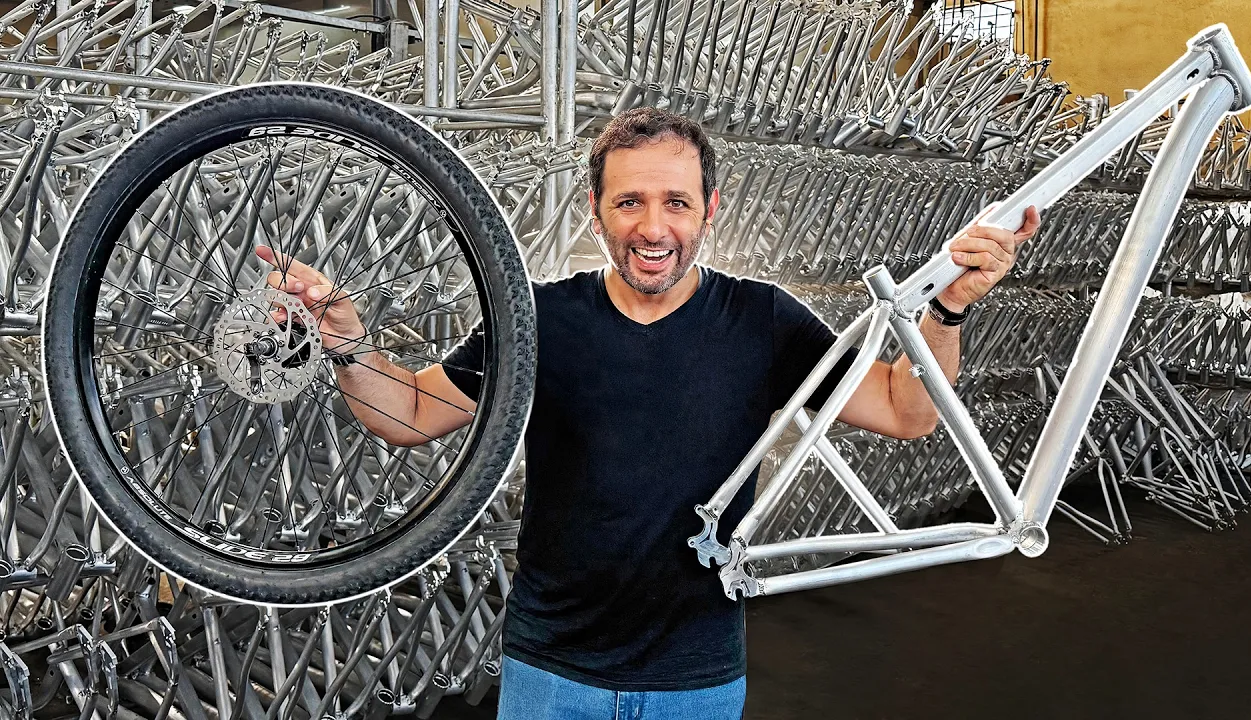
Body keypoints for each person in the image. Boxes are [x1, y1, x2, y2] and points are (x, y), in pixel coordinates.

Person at [255, 107, 1039, 719]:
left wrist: (949, 309)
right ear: (596, 211)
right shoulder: (540, 319)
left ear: (710, 210)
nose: (653, 227)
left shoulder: (762, 321)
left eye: (676, 202)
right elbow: (408, 414)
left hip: (694, 680)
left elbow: (906, 410)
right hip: (551, 674)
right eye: (629, 201)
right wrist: (346, 341)